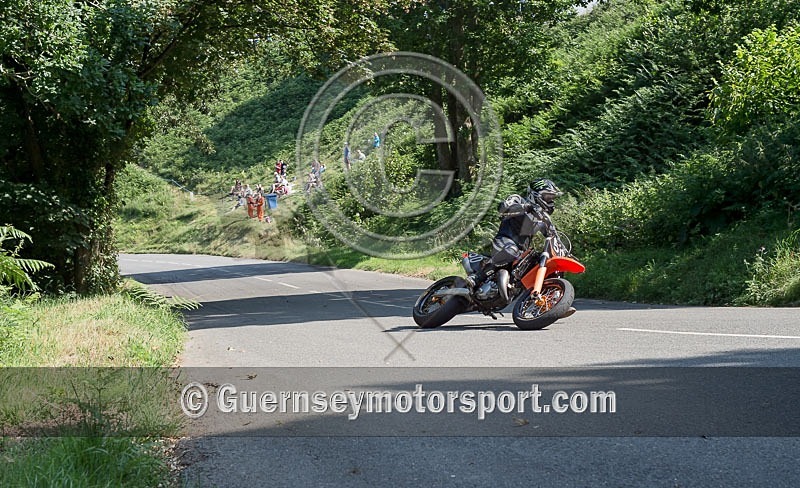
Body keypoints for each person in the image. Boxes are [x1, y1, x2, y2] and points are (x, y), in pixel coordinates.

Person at [465, 178, 563, 289]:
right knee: (511, 250)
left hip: (521, 253)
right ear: (535, 194)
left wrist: (566, 254)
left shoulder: (544, 218)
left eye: (552, 198)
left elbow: (554, 237)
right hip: (504, 241)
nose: (551, 201)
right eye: (548, 197)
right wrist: (527, 207)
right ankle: (477, 278)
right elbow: (503, 208)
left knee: (535, 262)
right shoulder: (518, 199)